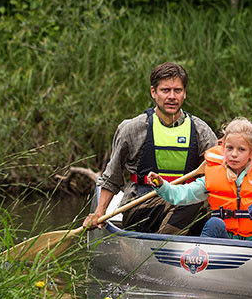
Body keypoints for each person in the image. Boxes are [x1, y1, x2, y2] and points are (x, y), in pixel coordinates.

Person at [83, 62, 217, 234]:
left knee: (205, 206)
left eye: (178, 91)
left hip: (187, 208)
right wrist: (99, 212)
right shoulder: (132, 129)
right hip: (141, 207)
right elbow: (112, 178)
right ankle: (158, 251)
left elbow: (218, 172)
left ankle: (161, 249)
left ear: (185, 94)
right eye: (165, 90)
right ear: (153, 92)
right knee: (191, 202)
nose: (172, 96)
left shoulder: (201, 130)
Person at [147, 117, 252, 239]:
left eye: (241, 149)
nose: (234, 154)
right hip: (224, 240)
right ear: (223, 148)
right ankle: (203, 256)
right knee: (214, 223)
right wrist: (162, 185)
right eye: (229, 148)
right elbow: (181, 195)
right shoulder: (213, 177)